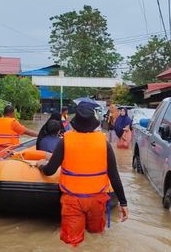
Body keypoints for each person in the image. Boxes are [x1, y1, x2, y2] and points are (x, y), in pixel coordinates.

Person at [37, 103, 129, 246]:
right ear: (94, 124)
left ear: (74, 124)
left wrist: (40, 166)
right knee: (97, 239)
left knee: (73, 244)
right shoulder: (104, 143)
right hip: (97, 199)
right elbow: (114, 176)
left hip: (72, 200)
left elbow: (50, 170)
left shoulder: (65, 142)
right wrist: (123, 202)